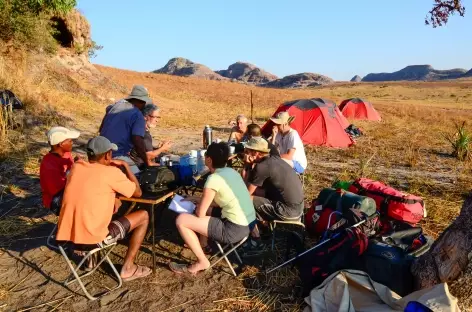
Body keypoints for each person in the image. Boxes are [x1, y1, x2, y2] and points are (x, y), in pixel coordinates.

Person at [56, 136, 151, 281]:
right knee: (143, 215)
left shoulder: (76, 167)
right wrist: (126, 166)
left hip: (69, 236)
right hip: (93, 238)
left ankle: (90, 261)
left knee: (95, 209)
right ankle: (128, 268)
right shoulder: (111, 173)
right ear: (107, 155)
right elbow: (138, 193)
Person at [169, 142, 256, 275]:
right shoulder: (231, 172)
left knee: (181, 220)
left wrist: (196, 205)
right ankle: (204, 245)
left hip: (234, 229)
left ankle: (202, 262)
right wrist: (197, 199)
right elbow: (224, 200)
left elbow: (200, 213)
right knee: (207, 209)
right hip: (248, 224)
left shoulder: (213, 179)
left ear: (208, 159)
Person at [244, 137, 304, 243]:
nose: (245, 153)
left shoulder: (262, 167)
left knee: (245, 200)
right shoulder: (275, 159)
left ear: (256, 153)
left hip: (288, 212)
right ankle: (264, 225)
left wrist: (248, 166)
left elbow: (246, 193)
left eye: (248, 151)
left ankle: (256, 237)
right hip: (299, 208)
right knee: (258, 194)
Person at [99, 85, 154, 174]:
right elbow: (137, 140)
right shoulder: (137, 115)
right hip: (117, 154)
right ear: (142, 101)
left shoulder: (115, 106)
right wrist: (147, 162)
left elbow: (101, 128)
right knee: (138, 178)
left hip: (100, 152)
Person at [39, 126, 80, 215]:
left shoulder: (66, 154)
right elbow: (55, 190)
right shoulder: (49, 164)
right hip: (55, 199)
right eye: (70, 141)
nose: (72, 143)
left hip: (67, 189)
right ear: (61, 144)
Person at [129, 104, 172, 168]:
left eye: (158, 117)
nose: (157, 120)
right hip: (139, 167)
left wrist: (158, 149)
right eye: (154, 117)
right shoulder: (144, 134)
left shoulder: (137, 128)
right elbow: (147, 156)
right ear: (145, 117)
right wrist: (163, 148)